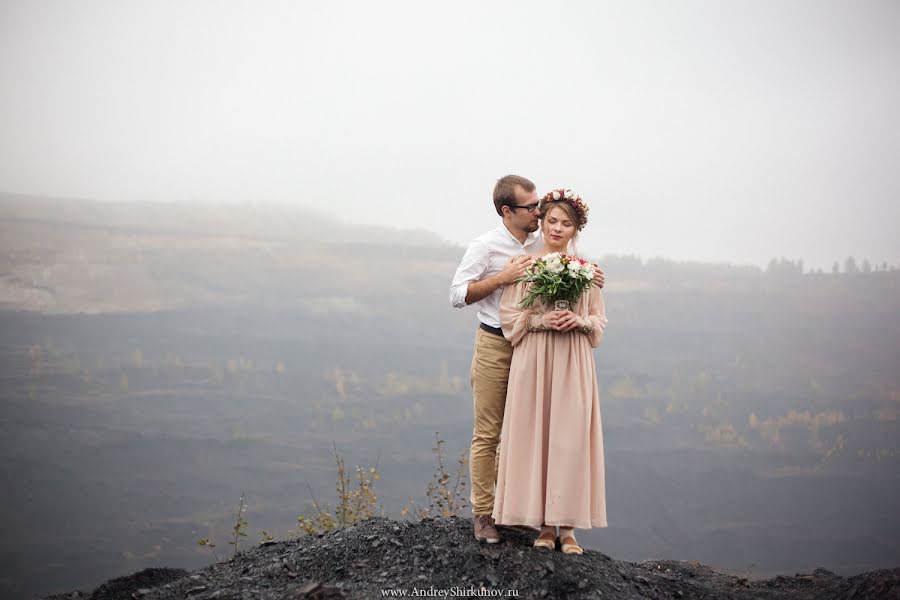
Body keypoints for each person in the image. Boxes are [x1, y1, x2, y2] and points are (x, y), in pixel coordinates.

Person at [449, 176, 605, 544]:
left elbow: (564, 238)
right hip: (495, 342)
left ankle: (520, 512)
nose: (539, 213)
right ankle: (485, 515)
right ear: (508, 211)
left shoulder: (541, 239)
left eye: (540, 207)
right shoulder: (485, 246)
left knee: (529, 431)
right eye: (531, 208)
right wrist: (504, 277)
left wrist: (594, 277)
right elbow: (457, 295)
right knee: (489, 432)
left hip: (541, 350)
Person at [491, 189, 608, 555]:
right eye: (552, 220)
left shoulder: (588, 271)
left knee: (569, 437)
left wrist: (580, 321)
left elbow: (599, 320)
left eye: (567, 224)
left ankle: (569, 528)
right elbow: (510, 316)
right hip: (535, 357)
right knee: (538, 433)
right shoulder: (523, 264)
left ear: (576, 230)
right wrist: (541, 319)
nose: (558, 228)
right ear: (540, 221)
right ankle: (543, 525)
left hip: (573, 358)